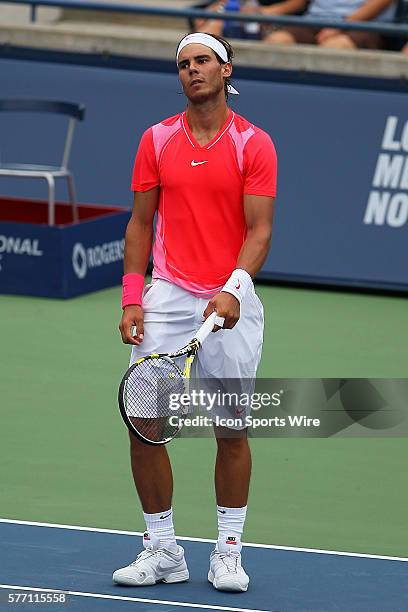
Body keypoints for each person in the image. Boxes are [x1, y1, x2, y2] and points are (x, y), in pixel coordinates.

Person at [113, 32, 277, 593]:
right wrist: (133, 295)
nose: (192, 71)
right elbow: (139, 223)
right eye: (183, 64)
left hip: (231, 294)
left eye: (202, 61)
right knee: (144, 421)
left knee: (230, 429)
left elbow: (260, 231)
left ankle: (227, 552)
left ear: (226, 69)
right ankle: (162, 551)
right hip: (171, 294)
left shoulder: (253, 143)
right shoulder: (156, 139)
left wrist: (234, 288)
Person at [264, 0, 396, 49]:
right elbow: (299, 2)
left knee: (335, 47)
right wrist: (264, 13)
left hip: (363, 26)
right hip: (314, 20)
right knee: (277, 41)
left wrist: (340, 27)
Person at [194, 0, 305, 38]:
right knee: (206, 33)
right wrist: (216, 9)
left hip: (283, 22)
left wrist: (266, 12)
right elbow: (226, 3)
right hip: (244, 17)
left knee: (279, 39)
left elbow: (299, 3)